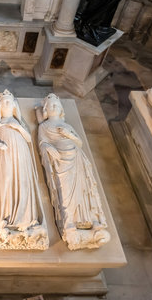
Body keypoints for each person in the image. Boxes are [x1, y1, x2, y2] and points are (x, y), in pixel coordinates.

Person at [38, 94, 109, 250]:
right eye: (50, 106)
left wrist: (68, 134)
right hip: (60, 160)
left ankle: (90, 220)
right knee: (66, 189)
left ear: (61, 109)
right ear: (45, 110)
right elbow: (42, 142)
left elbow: (79, 142)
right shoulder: (44, 126)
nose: (54, 108)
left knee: (83, 190)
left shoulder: (67, 125)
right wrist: (48, 147)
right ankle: (69, 221)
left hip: (75, 157)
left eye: (56, 105)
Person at [0, 89, 48, 250]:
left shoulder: (19, 122)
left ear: (14, 105)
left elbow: (28, 139)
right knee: (7, 184)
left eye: (10, 102)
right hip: (5, 155)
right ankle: (8, 218)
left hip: (21, 154)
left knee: (23, 184)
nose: (7, 104)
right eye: (4, 102)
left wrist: (17, 126)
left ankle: (27, 219)